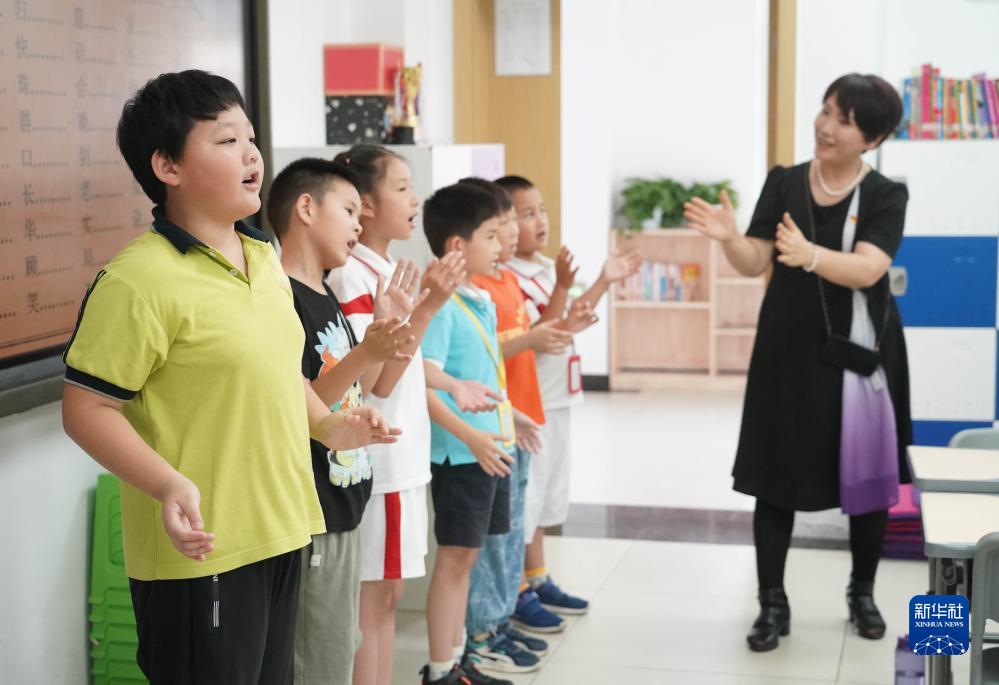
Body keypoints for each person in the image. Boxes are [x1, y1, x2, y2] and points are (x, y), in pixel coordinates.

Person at [61, 70, 397, 684]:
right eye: (226, 140)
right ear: (167, 166)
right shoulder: (137, 281)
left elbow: (280, 375)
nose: (251, 155)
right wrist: (166, 484)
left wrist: (330, 427)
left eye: (251, 138)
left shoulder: (264, 259)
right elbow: (85, 410)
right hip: (203, 551)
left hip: (285, 529)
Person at [684, 72, 911, 652]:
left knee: (866, 477)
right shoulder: (784, 181)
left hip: (858, 356)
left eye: (844, 120)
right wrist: (729, 238)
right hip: (786, 348)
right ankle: (771, 603)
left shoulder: (885, 195)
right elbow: (754, 260)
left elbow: (868, 269)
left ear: (873, 138)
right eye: (825, 110)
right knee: (775, 476)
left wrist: (810, 255)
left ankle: (862, 592)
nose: (825, 126)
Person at [269, 157, 414, 685]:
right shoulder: (280, 297)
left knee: (339, 645)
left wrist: (383, 329)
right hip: (315, 509)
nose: (359, 224)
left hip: (345, 499)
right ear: (306, 208)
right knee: (318, 660)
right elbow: (301, 404)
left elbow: (361, 385)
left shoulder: (324, 291)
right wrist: (364, 352)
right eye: (349, 210)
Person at [326, 144, 466, 685]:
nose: (415, 200)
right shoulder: (354, 276)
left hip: (397, 459)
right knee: (374, 602)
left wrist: (425, 304)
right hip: (378, 462)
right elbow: (378, 383)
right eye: (402, 188)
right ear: (364, 204)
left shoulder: (380, 268)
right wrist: (428, 305)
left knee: (386, 596)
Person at [497, 175, 640, 631]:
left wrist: (603, 281)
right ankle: (518, 587)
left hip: (559, 398)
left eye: (541, 210)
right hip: (532, 401)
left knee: (545, 497)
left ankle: (537, 576)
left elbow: (570, 320)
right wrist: (563, 287)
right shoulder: (508, 275)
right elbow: (542, 331)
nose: (540, 220)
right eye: (527, 214)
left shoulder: (543, 266)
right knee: (528, 498)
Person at [461, 177, 577, 674]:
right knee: (491, 538)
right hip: (488, 429)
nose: (511, 233)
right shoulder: (474, 290)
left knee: (512, 530)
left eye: (514, 222)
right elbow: (486, 358)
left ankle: (506, 611)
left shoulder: (505, 283)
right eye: (500, 226)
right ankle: (484, 628)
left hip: (519, 418)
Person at [419, 183, 517, 685]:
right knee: (455, 562)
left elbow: (482, 377)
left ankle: (458, 662)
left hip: (487, 450)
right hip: (461, 456)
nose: (501, 245)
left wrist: (510, 423)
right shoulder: (442, 306)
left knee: (468, 560)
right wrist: (472, 437)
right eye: (491, 235)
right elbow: (424, 384)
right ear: (458, 245)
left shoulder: (477, 298)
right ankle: (441, 669)